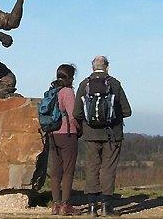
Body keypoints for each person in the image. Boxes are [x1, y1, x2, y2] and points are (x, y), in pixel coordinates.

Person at [74, 56, 132, 217]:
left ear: (92, 68)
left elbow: (77, 113)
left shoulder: (84, 84)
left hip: (91, 133)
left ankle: (92, 208)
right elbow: (127, 111)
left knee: (92, 167)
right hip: (112, 134)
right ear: (107, 67)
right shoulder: (115, 84)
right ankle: (107, 207)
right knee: (108, 169)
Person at [49, 64, 82, 216]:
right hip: (67, 134)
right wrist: (79, 129)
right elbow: (73, 115)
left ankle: (55, 205)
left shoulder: (52, 90)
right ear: (70, 77)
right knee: (68, 171)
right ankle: (65, 205)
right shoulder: (68, 92)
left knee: (55, 171)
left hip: (53, 134)